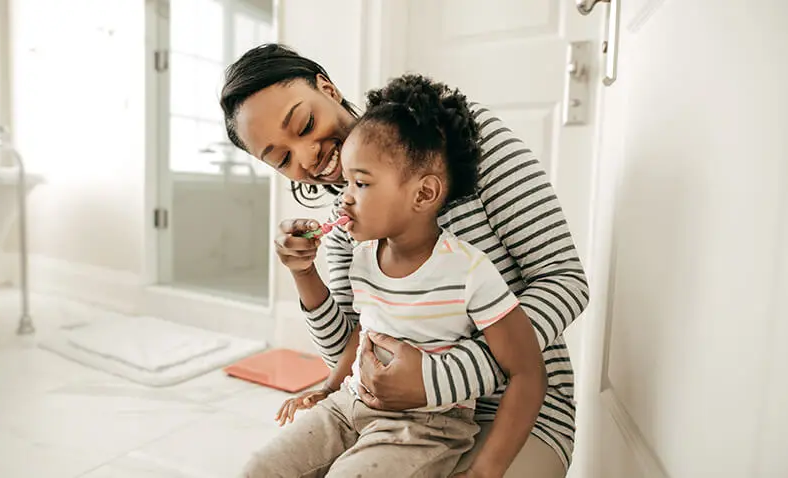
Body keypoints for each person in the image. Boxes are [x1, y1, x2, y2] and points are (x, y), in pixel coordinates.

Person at [221, 44, 589, 477]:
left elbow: (564, 279)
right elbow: (355, 351)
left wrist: (442, 377)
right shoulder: (348, 227)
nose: (306, 157)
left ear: (328, 88)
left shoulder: (459, 142)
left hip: (517, 409)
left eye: (305, 124)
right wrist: (305, 275)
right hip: (380, 415)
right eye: (282, 158)